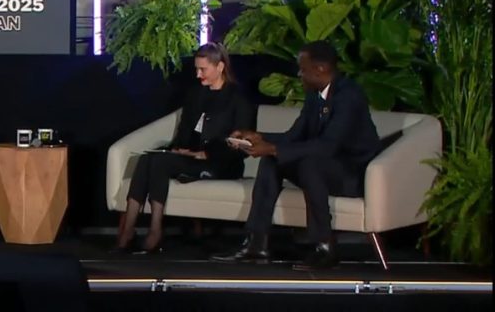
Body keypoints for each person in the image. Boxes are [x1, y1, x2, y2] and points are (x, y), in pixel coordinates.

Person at [212, 41, 381, 271]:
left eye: (303, 69)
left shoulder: (349, 95)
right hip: (324, 167)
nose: (299, 74)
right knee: (272, 161)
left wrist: (273, 148)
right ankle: (256, 243)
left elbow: (328, 146)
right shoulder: (315, 96)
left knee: (309, 164)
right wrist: (258, 138)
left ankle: (325, 247)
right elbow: (294, 136)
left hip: (354, 174)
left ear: (320, 69)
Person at [114, 43, 256, 254]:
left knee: (160, 163)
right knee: (147, 159)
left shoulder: (238, 99)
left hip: (221, 163)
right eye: (197, 69)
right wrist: (178, 149)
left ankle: (155, 229)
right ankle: (128, 230)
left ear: (220, 67)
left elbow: (242, 143)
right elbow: (185, 131)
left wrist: (204, 154)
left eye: (203, 69)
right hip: (191, 157)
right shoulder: (196, 94)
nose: (198, 75)